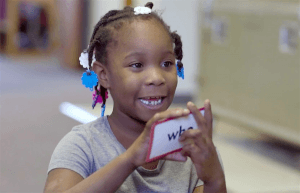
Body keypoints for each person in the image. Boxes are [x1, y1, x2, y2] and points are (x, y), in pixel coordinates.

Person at [44, 2, 226, 193]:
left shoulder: (192, 150)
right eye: (137, 65)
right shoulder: (82, 145)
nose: (156, 78)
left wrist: (214, 180)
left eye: (167, 63)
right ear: (104, 75)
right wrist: (130, 159)